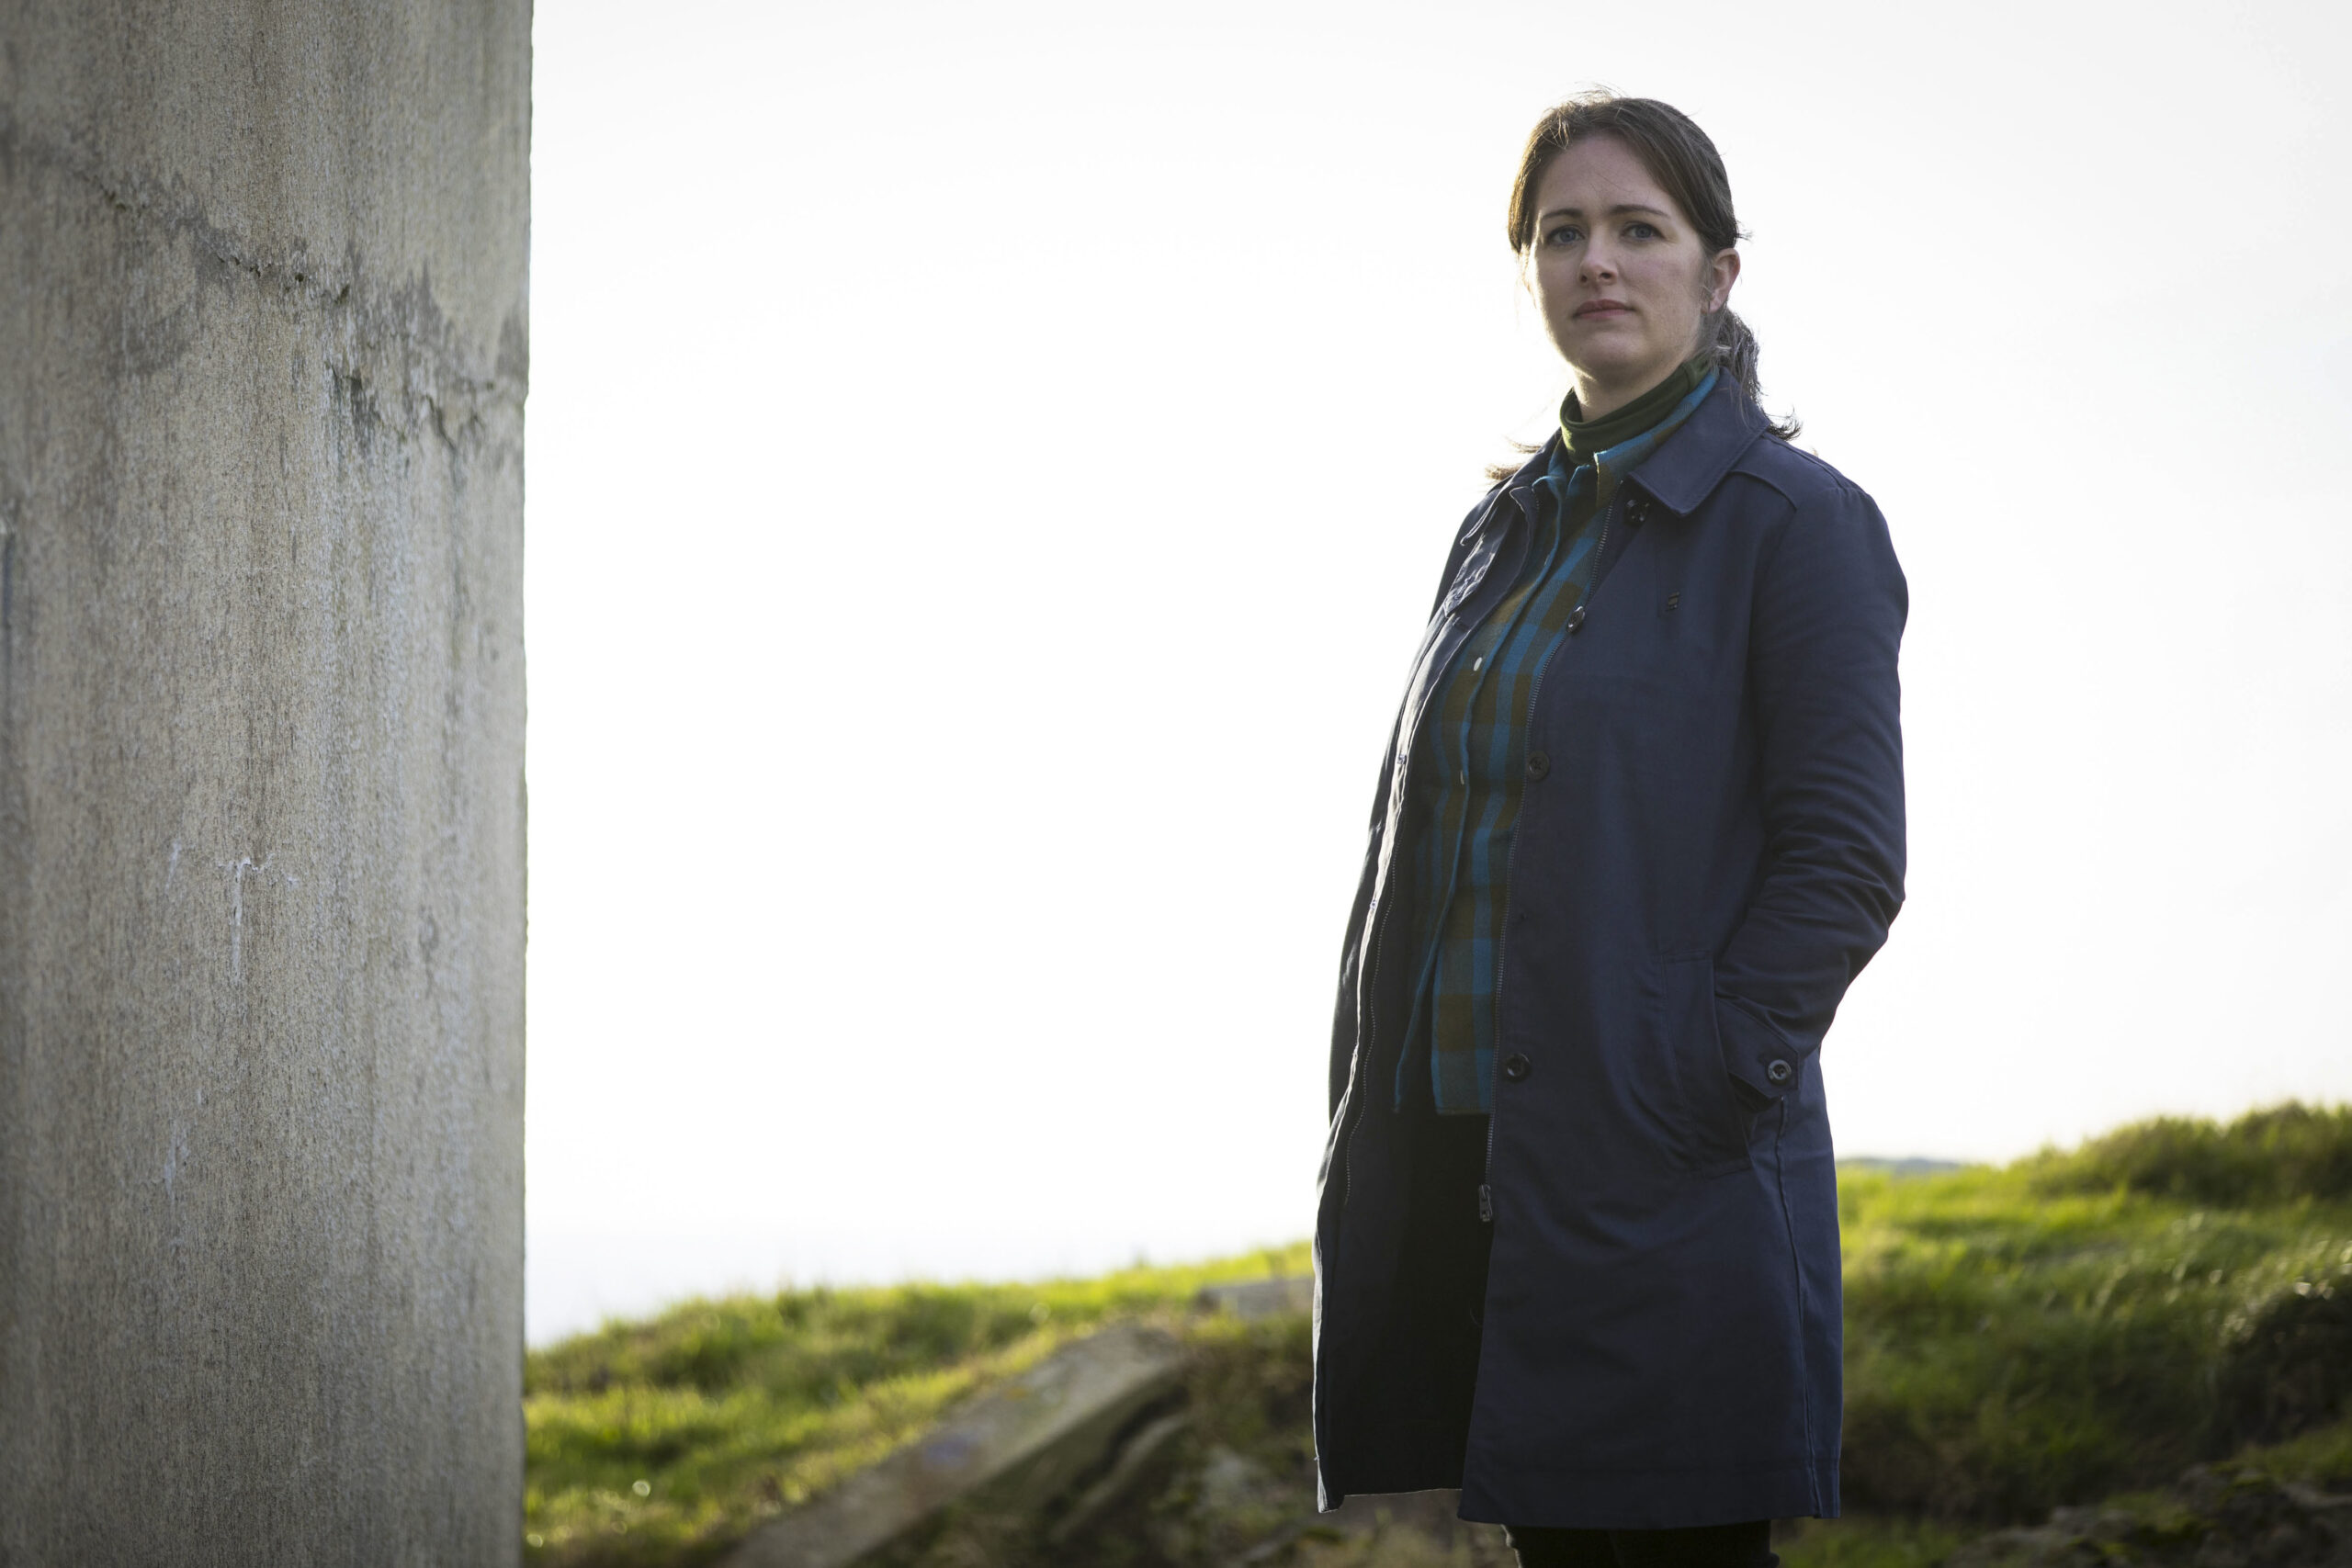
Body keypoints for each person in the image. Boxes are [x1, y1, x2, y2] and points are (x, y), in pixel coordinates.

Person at [1310, 94, 1907, 1568]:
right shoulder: (1501, 529)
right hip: (1466, 1157)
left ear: (1716, 275)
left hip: (1664, 1166)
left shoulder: (1798, 523)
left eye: (1640, 228)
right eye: (1563, 232)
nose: (1599, 261)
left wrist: (1703, 1079)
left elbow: (1845, 859)